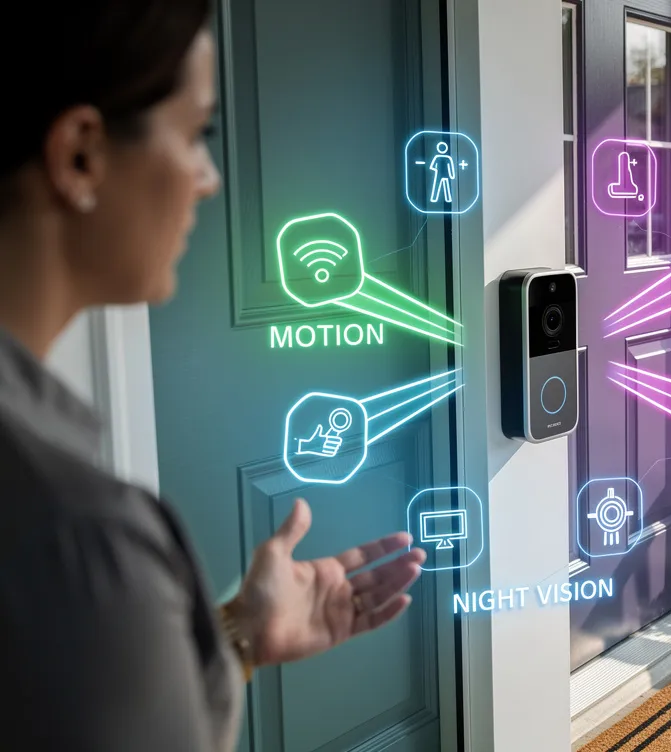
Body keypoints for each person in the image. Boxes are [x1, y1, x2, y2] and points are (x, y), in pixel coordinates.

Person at [0, 2, 425, 749]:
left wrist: (239, 635)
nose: (209, 179)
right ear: (80, 156)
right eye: (198, 134)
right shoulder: (86, 541)